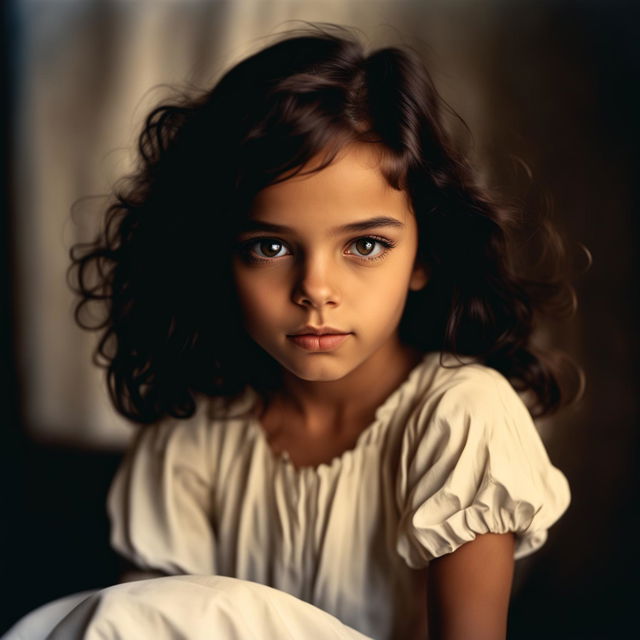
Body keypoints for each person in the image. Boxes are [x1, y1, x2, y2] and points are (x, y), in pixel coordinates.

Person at [21, 23, 579, 640]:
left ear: (425, 256)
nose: (316, 288)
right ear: (217, 259)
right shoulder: (190, 444)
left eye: (365, 245)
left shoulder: (463, 417)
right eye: (270, 246)